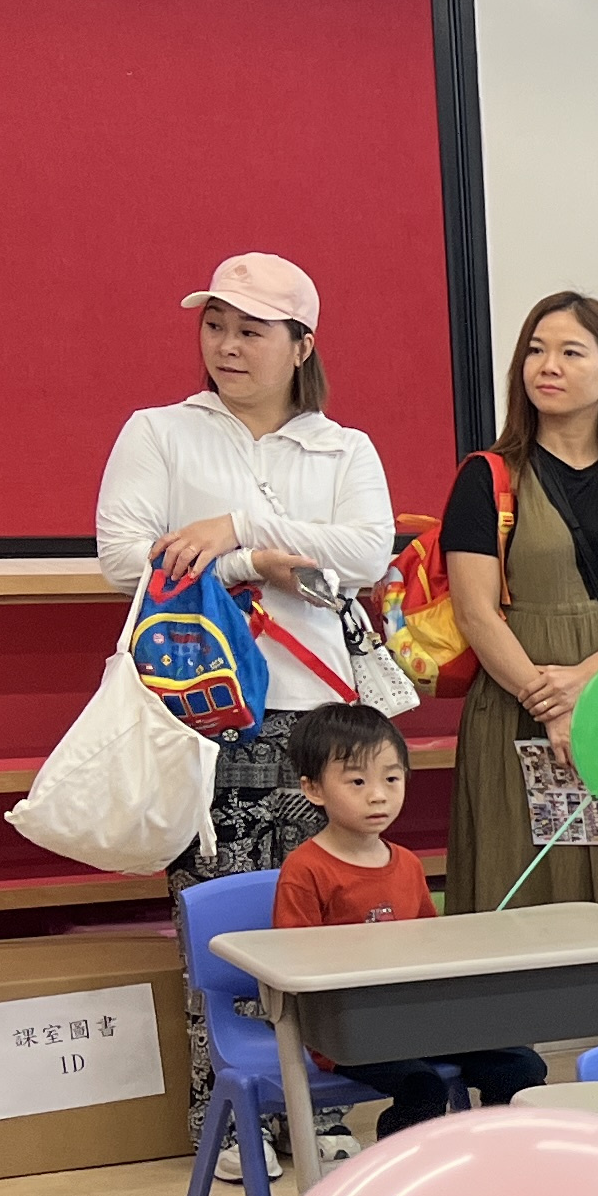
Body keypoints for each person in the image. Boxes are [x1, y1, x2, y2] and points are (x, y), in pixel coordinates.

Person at [95, 253, 398, 881]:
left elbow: (367, 553)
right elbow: (123, 560)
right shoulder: (159, 432)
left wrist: (238, 525)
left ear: (301, 347)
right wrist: (248, 563)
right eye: (215, 326)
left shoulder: (345, 448)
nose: (226, 346)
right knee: (218, 912)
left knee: (327, 907)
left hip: (322, 711)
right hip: (199, 704)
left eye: (251, 332)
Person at [443, 291, 598, 932]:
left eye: (570, 352)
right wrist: (551, 704)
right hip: (515, 707)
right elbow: (476, 613)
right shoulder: (486, 476)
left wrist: (584, 685)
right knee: (520, 893)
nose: (547, 366)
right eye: (535, 350)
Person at [270, 703, 542, 1133]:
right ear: (313, 789)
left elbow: (428, 946)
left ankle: (498, 1152)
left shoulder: (409, 864)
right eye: (357, 781)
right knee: (421, 1087)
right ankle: (401, 1166)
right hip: (346, 1029)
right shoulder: (305, 870)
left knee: (520, 1065)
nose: (378, 795)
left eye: (392, 779)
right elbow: (292, 967)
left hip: (417, 1018)